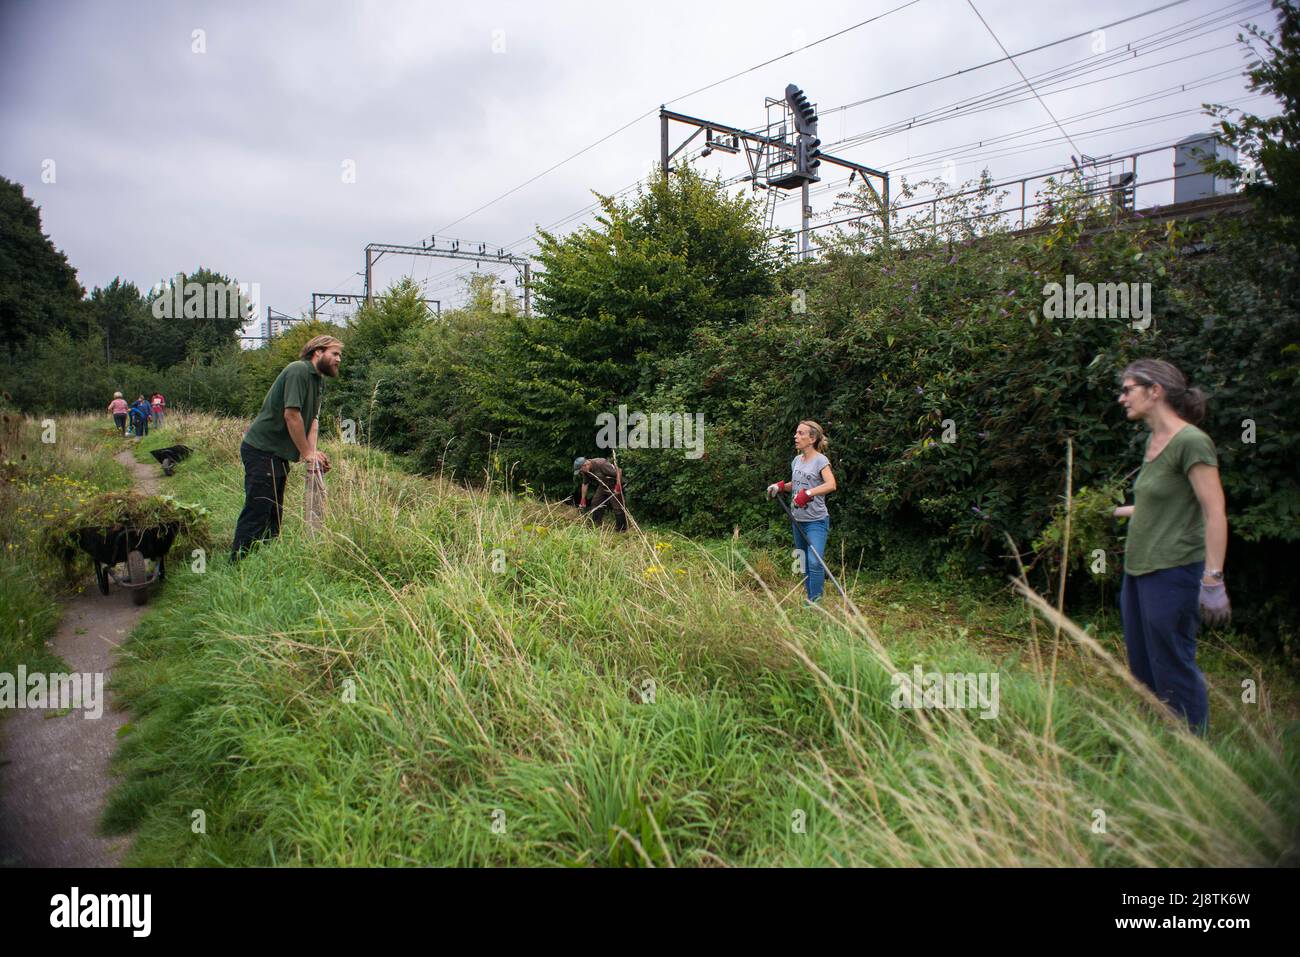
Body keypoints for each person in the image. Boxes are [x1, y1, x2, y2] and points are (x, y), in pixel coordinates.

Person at [1114, 359, 1229, 735]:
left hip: (1174, 570)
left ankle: (1191, 750)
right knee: (1143, 665)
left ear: (1155, 391)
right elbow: (1159, 502)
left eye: (1128, 389)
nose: (1122, 398)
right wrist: (1112, 511)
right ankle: (1156, 746)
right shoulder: (1153, 441)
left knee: (1173, 663)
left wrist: (1213, 580)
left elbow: (1215, 512)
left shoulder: (1192, 442)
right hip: (1138, 570)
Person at [230, 335, 341, 560]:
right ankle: (238, 564)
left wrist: (313, 455)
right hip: (261, 449)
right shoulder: (298, 370)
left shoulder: (318, 380)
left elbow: (313, 421)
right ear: (318, 352)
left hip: (276, 455)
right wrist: (307, 453)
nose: (339, 359)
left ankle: (265, 561)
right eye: (335, 353)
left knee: (274, 513)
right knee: (258, 509)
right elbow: (292, 415)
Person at [767, 420, 837, 603]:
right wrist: (780, 486)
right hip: (797, 519)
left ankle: (816, 602)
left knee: (815, 561)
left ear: (812, 438)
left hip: (816, 521)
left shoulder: (821, 460)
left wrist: (808, 493)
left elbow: (831, 484)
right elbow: (796, 485)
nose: (795, 436)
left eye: (800, 433)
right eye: (796, 433)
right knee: (804, 562)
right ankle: (811, 598)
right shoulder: (796, 460)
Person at [574, 455, 627, 531]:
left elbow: (619, 471)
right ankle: (596, 525)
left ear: (585, 465)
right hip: (603, 485)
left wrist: (618, 486)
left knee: (617, 506)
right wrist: (583, 499)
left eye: (581, 470)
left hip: (614, 484)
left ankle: (621, 529)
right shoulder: (586, 471)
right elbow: (585, 484)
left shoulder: (601, 464)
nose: (581, 472)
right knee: (596, 502)